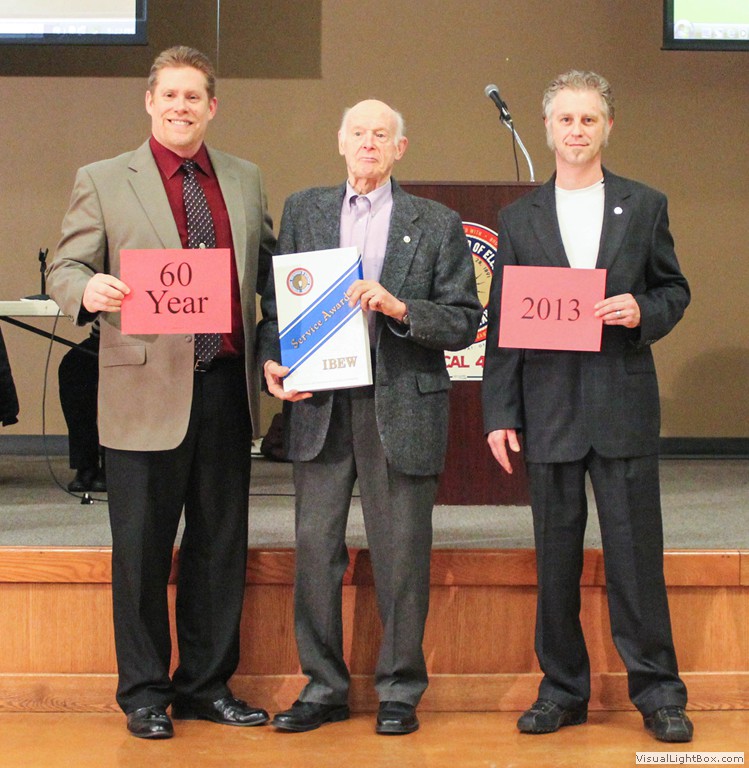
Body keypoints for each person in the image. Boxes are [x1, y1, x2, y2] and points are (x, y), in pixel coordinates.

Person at [47, 45, 275, 740]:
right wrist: (86, 288)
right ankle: (144, 693)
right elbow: (66, 266)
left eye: (192, 96)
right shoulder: (102, 179)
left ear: (212, 106)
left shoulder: (243, 179)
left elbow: (271, 273)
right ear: (150, 102)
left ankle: (206, 686)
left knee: (219, 547)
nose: (180, 106)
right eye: (169, 95)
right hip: (142, 393)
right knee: (142, 553)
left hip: (224, 390)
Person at [258, 99, 481, 735]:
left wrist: (400, 307)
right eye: (358, 132)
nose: (368, 143)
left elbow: (464, 320)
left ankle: (400, 691)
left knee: (402, 557)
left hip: (401, 406)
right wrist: (273, 359)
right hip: (321, 407)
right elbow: (277, 307)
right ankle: (322, 688)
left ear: (399, 148)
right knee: (315, 552)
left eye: (381, 134)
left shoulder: (435, 222)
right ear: (340, 141)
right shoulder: (303, 209)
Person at [481, 70, 693, 743]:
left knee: (636, 559)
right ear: (548, 129)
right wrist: (499, 412)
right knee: (555, 562)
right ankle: (562, 690)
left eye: (588, 119)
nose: (576, 130)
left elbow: (673, 290)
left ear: (608, 127)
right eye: (565, 119)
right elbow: (503, 322)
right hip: (546, 412)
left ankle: (658, 693)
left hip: (621, 406)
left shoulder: (645, 204)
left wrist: (642, 311)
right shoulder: (519, 219)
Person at [58, 321, 106, 492]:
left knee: (117, 377)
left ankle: (113, 464)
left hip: (142, 341)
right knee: (73, 367)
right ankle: (85, 464)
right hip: (102, 340)